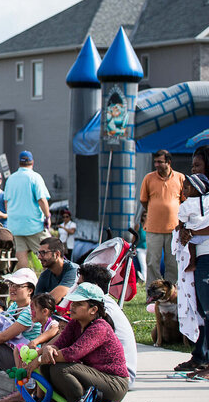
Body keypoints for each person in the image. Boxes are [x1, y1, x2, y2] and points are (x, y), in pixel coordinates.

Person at [30, 283, 129, 402]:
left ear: (93, 310)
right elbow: (60, 344)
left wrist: (40, 359)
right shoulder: (75, 324)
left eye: (79, 304)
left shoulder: (100, 327)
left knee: (61, 369)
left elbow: (73, 353)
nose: (73, 306)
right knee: (48, 367)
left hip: (114, 383)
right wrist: (49, 349)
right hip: (94, 377)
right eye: (73, 303)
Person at [174, 145, 209, 375]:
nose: (193, 169)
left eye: (197, 165)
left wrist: (192, 232)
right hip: (200, 258)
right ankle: (201, 355)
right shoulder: (196, 201)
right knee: (201, 311)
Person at [74, 263, 138, 385]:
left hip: (119, 377)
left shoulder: (103, 310)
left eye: (80, 286)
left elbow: (79, 348)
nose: (76, 290)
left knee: (62, 368)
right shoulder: (99, 305)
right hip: (106, 370)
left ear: (94, 287)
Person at [140, 149, 186, 284]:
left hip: (174, 228)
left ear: (168, 162)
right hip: (153, 228)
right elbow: (144, 200)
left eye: (160, 162)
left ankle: (172, 293)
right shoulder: (149, 178)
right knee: (151, 263)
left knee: (172, 263)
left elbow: (184, 200)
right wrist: (156, 210)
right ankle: (153, 293)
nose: (156, 165)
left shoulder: (180, 177)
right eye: (155, 162)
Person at [3, 151, 51, 270]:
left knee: (21, 256)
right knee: (48, 254)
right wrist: (47, 216)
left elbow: (6, 202)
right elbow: (41, 199)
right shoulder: (35, 177)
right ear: (32, 162)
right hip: (33, 225)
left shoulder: (11, 179)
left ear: (19, 163)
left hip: (15, 225)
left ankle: (24, 283)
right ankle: (49, 282)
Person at [36, 236, 78, 301]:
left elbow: (53, 300)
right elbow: (35, 301)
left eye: (43, 253)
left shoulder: (73, 270)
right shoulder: (45, 275)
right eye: (39, 253)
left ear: (57, 254)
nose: (39, 257)